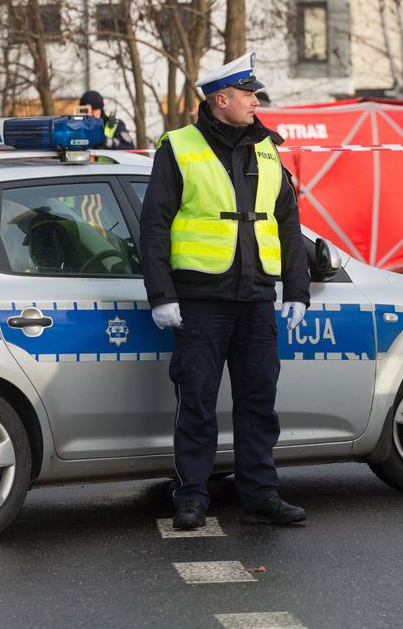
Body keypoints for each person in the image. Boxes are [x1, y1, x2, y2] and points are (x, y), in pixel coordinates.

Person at [139, 52, 311, 531]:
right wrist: (162, 295)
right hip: (201, 299)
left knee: (259, 401)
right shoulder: (178, 147)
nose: (255, 102)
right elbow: (154, 225)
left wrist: (295, 290)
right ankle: (191, 497)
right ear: (221, 100)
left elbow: (289, 225)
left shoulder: (267, 149)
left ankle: (260, 494)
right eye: (248, 95)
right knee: (196, 402)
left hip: (256, 299)